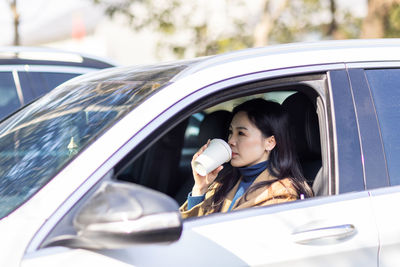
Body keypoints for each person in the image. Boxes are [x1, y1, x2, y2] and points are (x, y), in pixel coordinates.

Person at [179, 98, 313, 218]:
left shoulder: (282, 194)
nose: (231, 140)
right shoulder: (224, 181)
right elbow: (192, 230)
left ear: (270, 142)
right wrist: (200, 188)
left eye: (241, 133)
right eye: (231, 132)